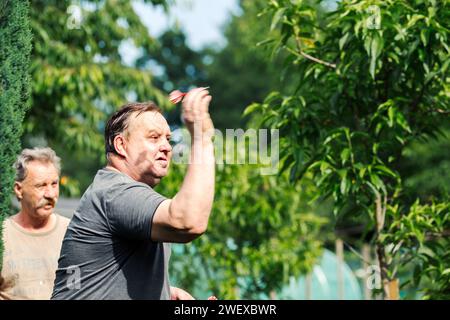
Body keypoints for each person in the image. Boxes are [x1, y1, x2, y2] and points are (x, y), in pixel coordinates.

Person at [52, 87, 215, 300]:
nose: (166, 147)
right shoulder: (114, 192)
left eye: (168, 139)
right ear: (121, 144)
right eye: (154, 137)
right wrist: (201, 138)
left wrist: (166, 292)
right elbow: (188, 221)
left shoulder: (117, 193)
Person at [0, 147, 70, 300]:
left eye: (54, 184)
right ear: (18, 189)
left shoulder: (73, 232)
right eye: (41, 186)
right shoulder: (3, 236)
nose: (50, 194)